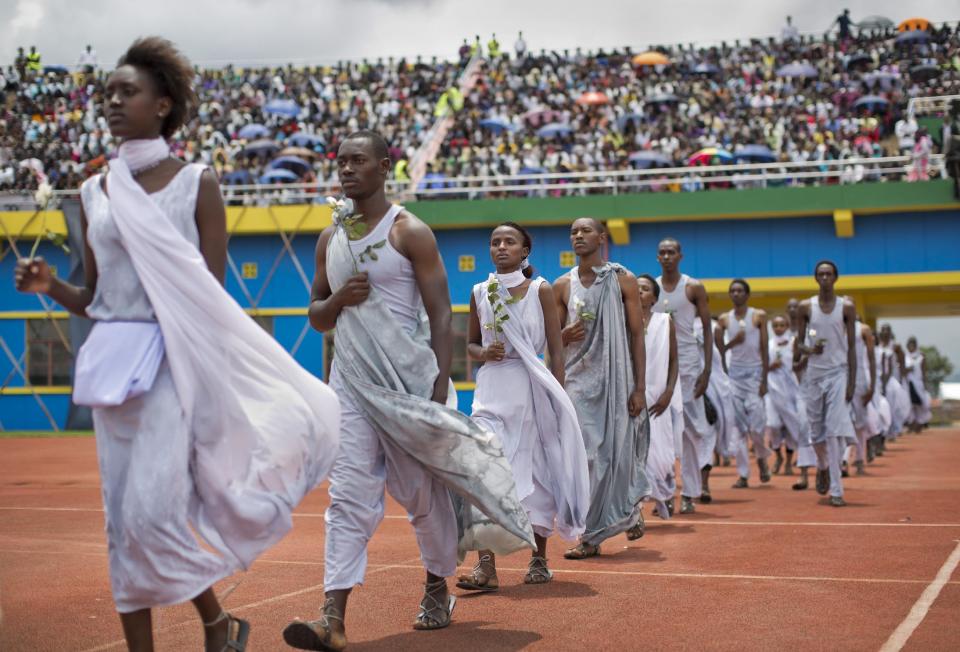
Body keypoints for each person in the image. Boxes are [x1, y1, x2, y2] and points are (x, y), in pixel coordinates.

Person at [14, 36, 342, 652]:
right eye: (107, 93)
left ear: (163, 104)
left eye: (127, 92)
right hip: (113, 374)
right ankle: (210, 628)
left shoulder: (197, 184)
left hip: (172, 369)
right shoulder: (94, 192)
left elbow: (209, 301)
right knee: (121, 524)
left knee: (152, 515)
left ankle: (216, 622)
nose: (112, 102)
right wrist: (51, 284)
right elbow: (96, 298)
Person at [283, 131, 533, 651]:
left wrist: (441, 383)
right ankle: (332, 616)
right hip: (351, 384)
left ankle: (438, 586)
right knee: (347, 496)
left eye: (358, 160)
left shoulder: (409, 232)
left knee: (423, 498)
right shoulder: (329, 238)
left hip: (410, 386)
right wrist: (337, 303)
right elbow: (315, 313)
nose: (347, 169)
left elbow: (441, 312)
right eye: (341, 160)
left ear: (384, 166)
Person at [457, 223, 589, 591]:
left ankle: (539, 559)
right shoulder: (480, 291)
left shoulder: (540, 290)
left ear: (524, 250)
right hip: (491, 388)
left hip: (532, 386)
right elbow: (470, 344)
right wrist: (483, 352)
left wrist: (558, 394)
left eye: (509, 242)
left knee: (537, 470)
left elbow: (555, 347)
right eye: (494, 242)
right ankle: (486, 567)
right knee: (482, 470)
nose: (500, 247)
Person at [554, 217, 649, 559]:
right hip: (578, 381)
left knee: (613, 455)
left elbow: (637, 334)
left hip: (615, 378)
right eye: (573, 232)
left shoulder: (623, 280)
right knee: (590, 458)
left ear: (602, 237)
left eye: (585, 231)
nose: (578, 236)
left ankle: (607, 523)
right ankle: (596, 530)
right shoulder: (561, 286)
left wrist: (639, 387)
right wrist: (562, 336)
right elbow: (550, 340)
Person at [653, 238, 713, 514]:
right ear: (658, 257)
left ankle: (689, 492)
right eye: (662, 252)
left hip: (689, 366)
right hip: (659, 368)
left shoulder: (692, 287)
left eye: (671, 252)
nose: (666, 256)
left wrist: (707, 370)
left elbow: (708, 330)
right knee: (661, 433)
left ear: (680, 255)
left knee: (689, 433)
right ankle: (663, 493)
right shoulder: (650, 289)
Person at [794, 261, 857, 507]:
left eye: (829, 274)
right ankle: (821, 465)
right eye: (820, 274)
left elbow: (852, 348)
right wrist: (810, 349)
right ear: (815, 278)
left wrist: (852, 381)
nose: (824, 277)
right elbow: (798, 344)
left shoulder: (847, 308)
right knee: (815, 432)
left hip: (838, 373)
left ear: (836, 278)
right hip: (814, 375)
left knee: (833, 431)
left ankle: (836, 490)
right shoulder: (805, 307)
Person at [715, 279, 770, 488]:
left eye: (740, 291)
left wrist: (765, 380)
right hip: (735, 378)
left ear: (747, 294)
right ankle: (744, 474)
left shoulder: (758, 316)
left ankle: (762, 458)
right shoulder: (724, 320)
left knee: (756, 427)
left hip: (755, 375)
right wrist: (732, 343)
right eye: (733, 291)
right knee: (738, 429)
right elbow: (719, 351)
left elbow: (765, 349)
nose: (736, 294)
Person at [637, 274, 679, 520]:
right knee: (635, 454)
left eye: (644, 289)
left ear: (654, 297)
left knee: (660, 454)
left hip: (659, 398)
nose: (639, 292)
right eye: (636, 288)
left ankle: (665, 493)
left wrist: (669, 392)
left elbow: (674, 360)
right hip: (633, 396)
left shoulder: (665, 321)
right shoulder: (622, 320)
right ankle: (635, 507)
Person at [765, 314, 813, 480]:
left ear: (786, 326)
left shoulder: (794, 343)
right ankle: (778, 454)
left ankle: (788, 462)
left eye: (781, 325)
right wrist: (771, 366)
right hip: (772, 390)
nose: (778, 328)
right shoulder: (768, 345)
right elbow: (760, 367)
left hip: (791, 390)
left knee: (792, 425)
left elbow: (799, 365)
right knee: (773, 424)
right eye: (775, 325)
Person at [847, 317, 877, 476]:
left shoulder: (863, 329)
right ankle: (843, 461)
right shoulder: (834, 325)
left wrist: (872, 386)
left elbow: (871, 358)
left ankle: (859, 459)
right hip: (839, 378)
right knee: (842, 421)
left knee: (859, 424)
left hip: (859, 379)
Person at [904, 337, 932, 431]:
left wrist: (925, 384)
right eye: (909, 345)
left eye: (912, 345)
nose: (910, 347)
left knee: (919, 403)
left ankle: (920, 422)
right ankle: (911, 423)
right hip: (908, 383)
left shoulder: (921, 357)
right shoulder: (904, 356)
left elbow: (924, 371)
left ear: (915, 346)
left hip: (918, 383)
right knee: (910, 404)